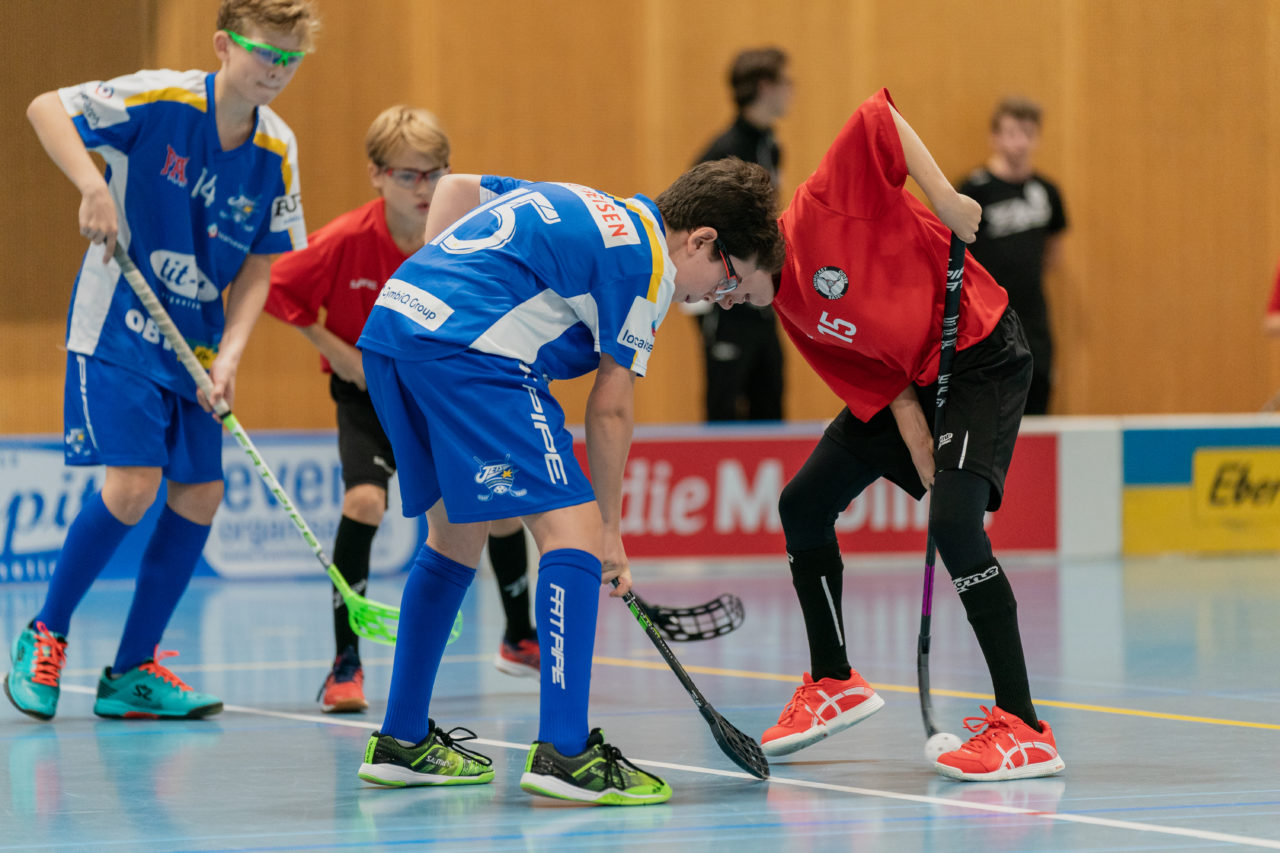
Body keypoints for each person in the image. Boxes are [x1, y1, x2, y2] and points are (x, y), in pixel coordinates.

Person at [352, 160, 783, 803]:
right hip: (473, 354)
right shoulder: (649, 269)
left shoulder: (590, 203)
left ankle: (401, 740)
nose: (720, 299)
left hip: (395, 329)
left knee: (454, 538)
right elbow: (610, 407)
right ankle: (565, 752)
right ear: (702, 239)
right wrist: (609, 531)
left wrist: (441, 276)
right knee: (573, 536)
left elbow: (457, 188)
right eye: (731, 282)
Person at [4, 0, 316, 722]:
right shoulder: (161, 97)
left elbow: (263, 268)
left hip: (198, 348)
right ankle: (44, 632)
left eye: (291, 59)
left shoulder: (278, 147)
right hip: (120, 325)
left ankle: (134, 667)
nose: (277, 70)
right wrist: (91, 186)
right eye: (265, 52)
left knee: (201, 493)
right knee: (134, 486)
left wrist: (232, 357)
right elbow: (43, 105)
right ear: (222, 45)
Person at [761, 88, 1065, 782]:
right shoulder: (784, 297)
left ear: (744, 248)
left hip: (980, 351)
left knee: (956, 527)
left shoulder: (820, 208)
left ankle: (1023, 726)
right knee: (802, 505)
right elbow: (872, 372)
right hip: (919, 381)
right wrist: (913, 424)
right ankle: (833, 678)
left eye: (720, 283)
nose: (720, 300)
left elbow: (878, 116)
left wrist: (950, 200)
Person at [264, 106, 539, 714]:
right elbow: (274, 287)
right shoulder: (343, 241)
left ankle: (519, 636)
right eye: (409, 175)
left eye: (436, 173)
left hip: (441, 392)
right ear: (377, 176)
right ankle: (345, 663)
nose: (425, 188)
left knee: (496, 504)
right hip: (367, 395)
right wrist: (335, 350)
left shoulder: (466, 231)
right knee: (364, 500)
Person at [689, 47, 794, 422]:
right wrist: (704, 308)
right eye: (787, 82)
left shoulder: (770, 145)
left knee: (772, 400)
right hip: (726, 307)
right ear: (766, 86)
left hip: (761, 302)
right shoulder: (724, 154)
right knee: (724, 407)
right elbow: (689, 232)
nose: (792, 90)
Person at [956, 96, 1068, 415]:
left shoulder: (1048, 192)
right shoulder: (974, 190)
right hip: (985, 318)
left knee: (1037, 396)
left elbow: (1053, 254)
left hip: (1033, 318)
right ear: (995, 137)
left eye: (1027, 134)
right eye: (1010, 133)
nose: (1019, 143)